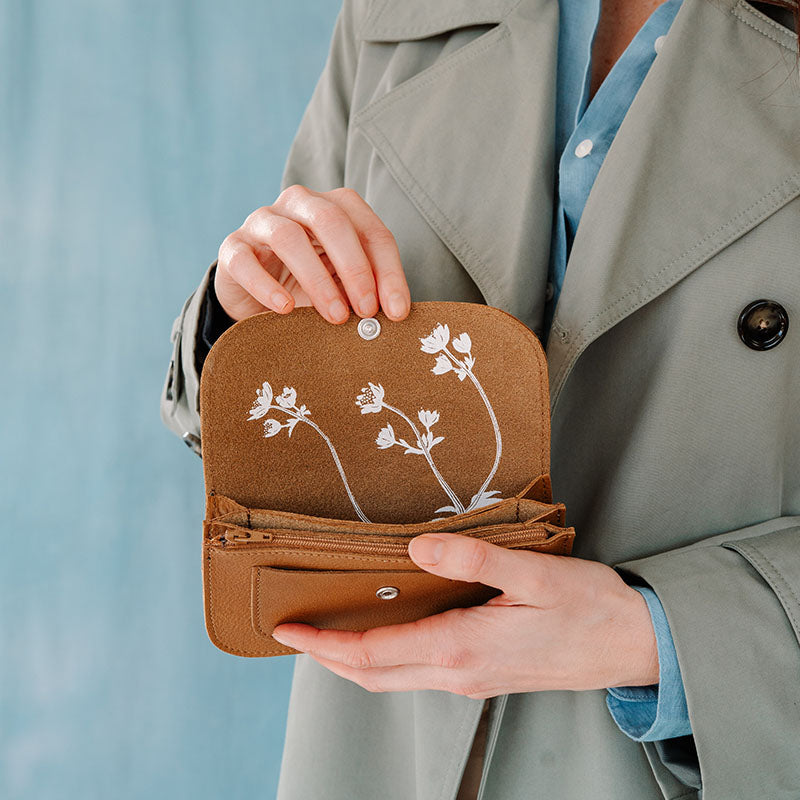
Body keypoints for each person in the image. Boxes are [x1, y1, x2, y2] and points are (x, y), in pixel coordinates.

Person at [160, 0, 800, 797]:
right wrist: (244, 327)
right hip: (376, 755)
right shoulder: (393, 14)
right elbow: (280, 392)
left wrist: (663, 637)